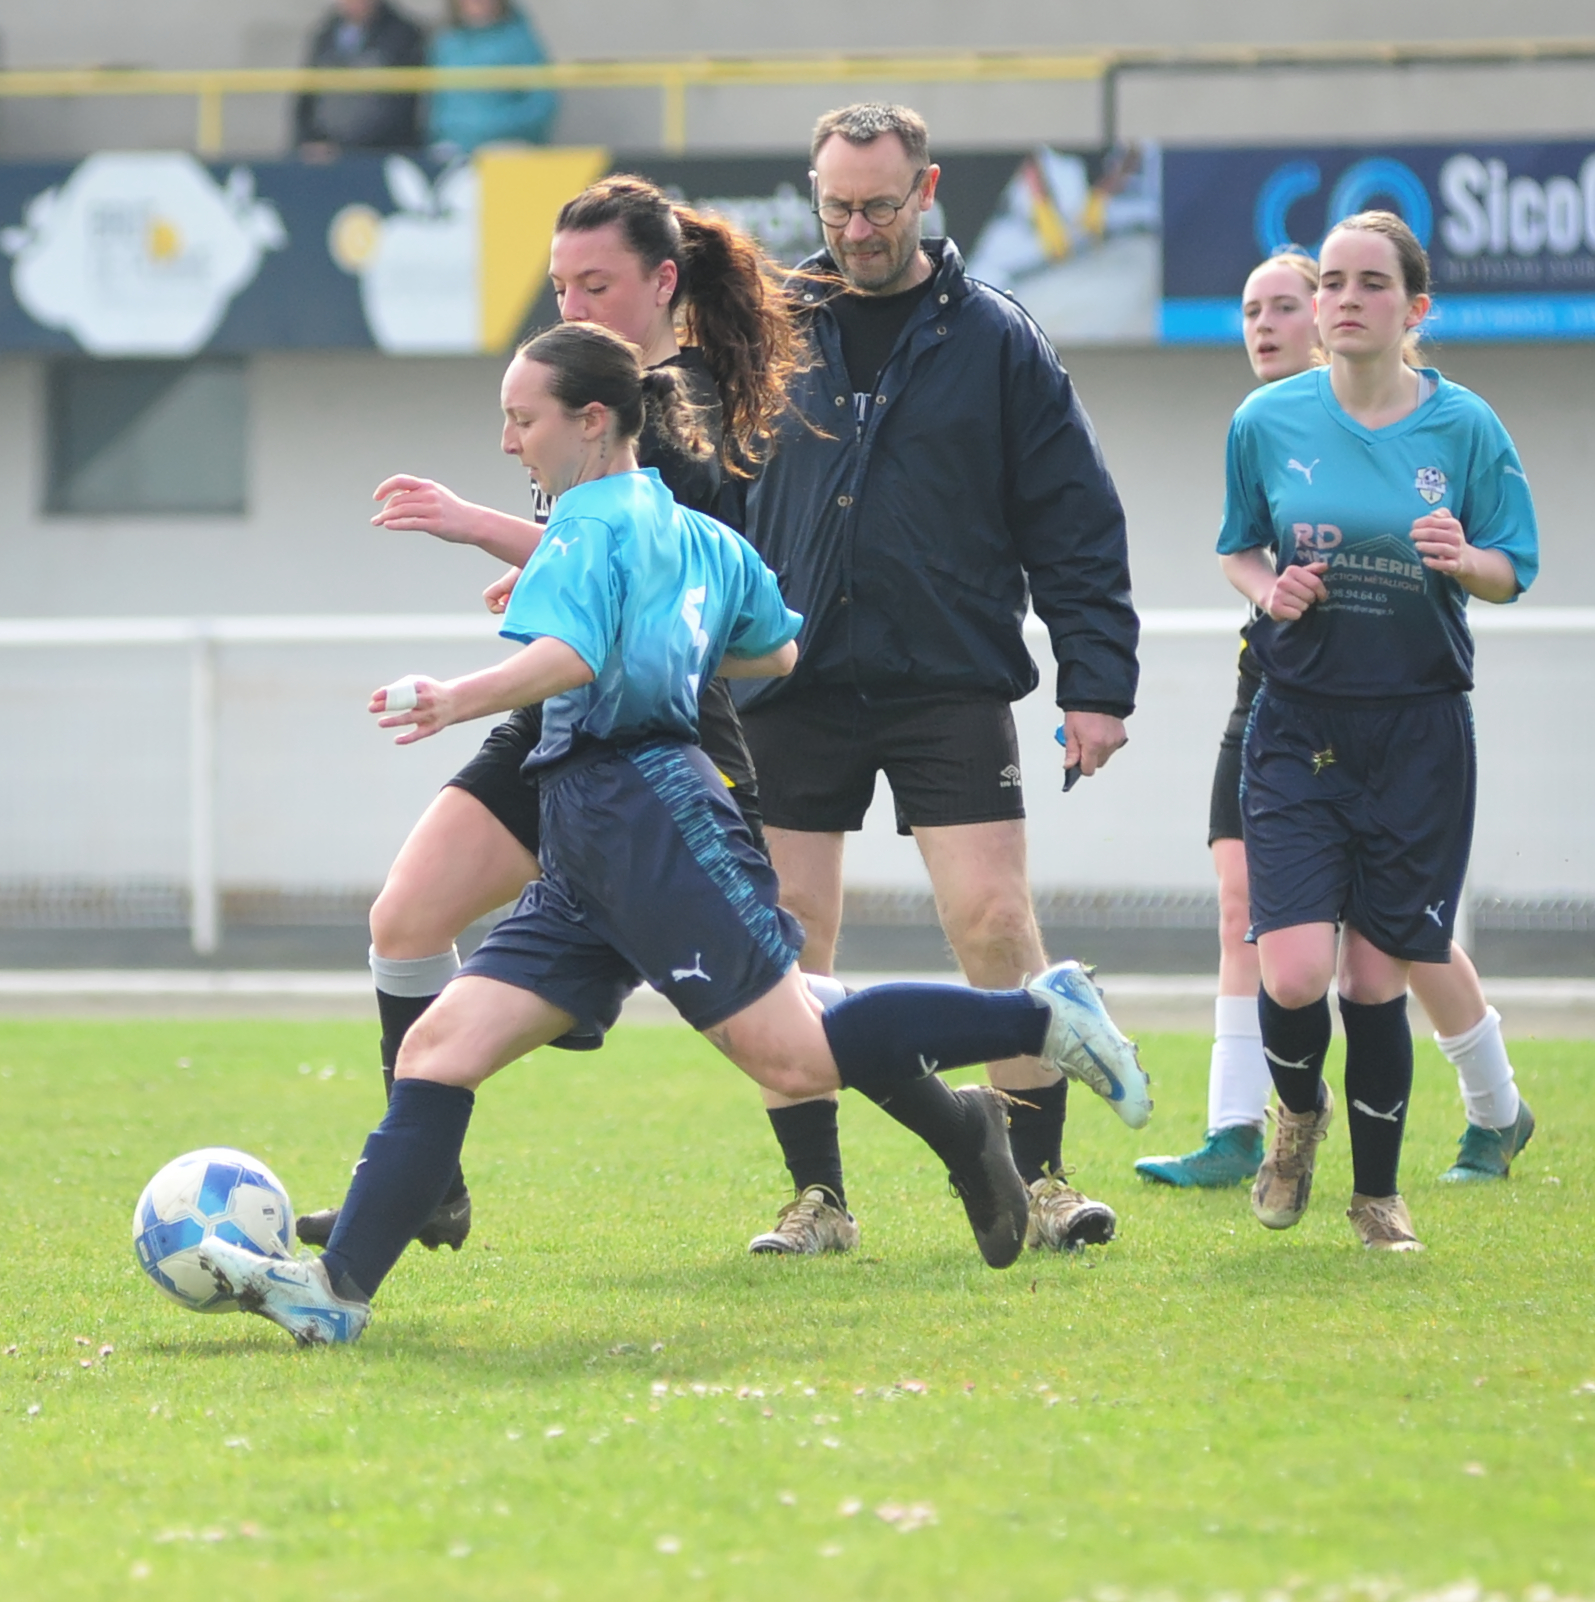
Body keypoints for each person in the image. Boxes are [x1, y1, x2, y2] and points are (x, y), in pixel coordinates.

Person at [197, 322, 1153, 1345]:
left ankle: (1036, 1014)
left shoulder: (584, 527)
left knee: (792, 1054)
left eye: (522, 419)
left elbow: (570, 652)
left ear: (592, 420)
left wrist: (454, 696)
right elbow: (777, 652)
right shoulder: (699, 535)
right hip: (587, 833)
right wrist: (666, 644)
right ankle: (336, 1295)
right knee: (439, 1044)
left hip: (644, 809)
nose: (510, 442)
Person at [292, 175, 818, 1254]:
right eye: (558, 283)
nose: (571, 304)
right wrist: (531, 583)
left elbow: (662, 579)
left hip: (652, 741)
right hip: (558, 719)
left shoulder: (680, 404)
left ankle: (863, 1167)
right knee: (404, 919)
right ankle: (421, 1181)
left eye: (596, 282)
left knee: (782, 1020)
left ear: (661, 282)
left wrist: (475, 529)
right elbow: (592, 569)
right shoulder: (584, 387)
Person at [731, 103, 1142, 1258]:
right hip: (790, 680)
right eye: (835, 206)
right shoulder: (767, 332)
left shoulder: (998, 337)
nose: (856, 229)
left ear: (927, 191)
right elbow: (705, 504)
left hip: (945, 676)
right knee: (787, 936)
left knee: (993, 922)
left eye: (878, 204)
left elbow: (1073, 522)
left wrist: (1094, 682)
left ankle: (1042, 1177)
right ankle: (818, 1199)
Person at [1135, 247, 1536, 1191]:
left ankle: (1491, 1107)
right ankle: (1245, 1123)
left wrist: (1461, 557)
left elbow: (1511, 563)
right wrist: (1273, 587)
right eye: (1255, 308)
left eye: (1289, 300)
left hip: (1401, 706)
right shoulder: (1263, 424)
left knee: (1389, 944)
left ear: (1409, 309)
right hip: (1282, 688)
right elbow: (1238, 548)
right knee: (1264, 921)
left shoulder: (1450, 423)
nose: (1271, 322)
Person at [295, 0, 427, 158]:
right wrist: (308, 140)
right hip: (323, 154)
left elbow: (400, 107)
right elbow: (307, 99)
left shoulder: (403, 36)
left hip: (377, 155)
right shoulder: (324, 35)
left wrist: (347, 147)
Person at [427, 0, 557, 154]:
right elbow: (437, 104)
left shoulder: (520, 42)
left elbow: (542, 103)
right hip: (453, 146)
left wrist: (498, 127)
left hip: (508, 144)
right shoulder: (447, 44)